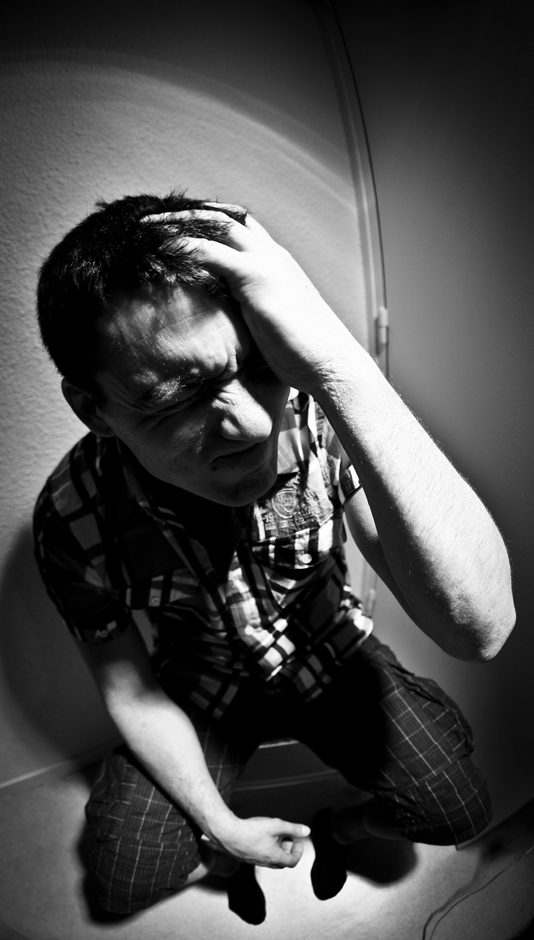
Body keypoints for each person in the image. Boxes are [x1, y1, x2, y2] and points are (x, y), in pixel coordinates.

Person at [33, 191, 515, 923]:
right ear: (93, 409)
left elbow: (481, 627)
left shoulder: (319, 419)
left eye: (261, 366)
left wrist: (334, 363)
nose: (255, 425)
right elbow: (129, 690)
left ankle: (342, 828)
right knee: (121, 879)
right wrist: (223, 831)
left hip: (330, 651)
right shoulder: (72, 517)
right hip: (202, 684)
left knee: (456, 808)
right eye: (178, 398)